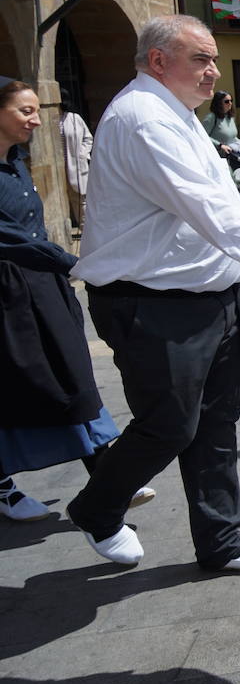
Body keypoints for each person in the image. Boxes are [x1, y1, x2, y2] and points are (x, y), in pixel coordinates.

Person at [68, 14, 240, 571]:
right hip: (152, 301)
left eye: (214, 59)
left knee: (216, 422)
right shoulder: (145, 119)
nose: (214, 71)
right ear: (159, 60)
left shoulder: (177, 114)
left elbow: (222, 208)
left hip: (210, 294)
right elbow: (211, 212)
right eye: (201, 59)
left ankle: (221, 539)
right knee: (169, 424)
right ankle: (97, 508)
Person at [0, 81, 155, 523]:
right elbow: (10, 237)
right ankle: (6, 484)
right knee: (21, 385)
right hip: (10, 294)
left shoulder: (17, 165)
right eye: (25, 111)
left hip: (40, 289)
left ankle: (105, 472)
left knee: (73, 375)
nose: (35, 119)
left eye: (35, 110)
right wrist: (72, 261)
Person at [58, 96, 93, 230]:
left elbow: (88, 138)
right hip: (59, 168)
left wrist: (82, 154)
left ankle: (87, 229)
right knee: (66, 200)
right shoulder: (49, 119)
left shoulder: (74, 118)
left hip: (75, 166)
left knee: (81, 200)